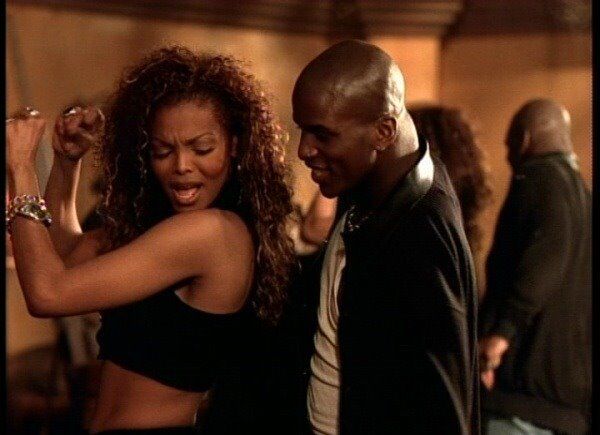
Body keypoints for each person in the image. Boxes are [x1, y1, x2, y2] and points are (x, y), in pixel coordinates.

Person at [6, 45, 295, 434]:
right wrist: (66, 163)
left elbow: (47, 294)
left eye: (202, 148)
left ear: (235, 146)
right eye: (163, 151)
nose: (181, 166)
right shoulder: (162, 227)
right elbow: (64, 257)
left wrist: (22, 168)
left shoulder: (215, 233)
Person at [289, 39, 480, 434]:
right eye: (303, 130)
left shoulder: (421, 232)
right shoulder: (367, 188)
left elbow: (441, 411)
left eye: (322, 134)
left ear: (383, 131)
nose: (304, 150)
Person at [478, 99, 591, 434]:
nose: (508, 157)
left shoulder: (536, 181)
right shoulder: (584, 197)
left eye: (509, 146)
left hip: (522, 402)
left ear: (524, 139)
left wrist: (500, 334)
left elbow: (544, 261)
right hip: (568, 407)